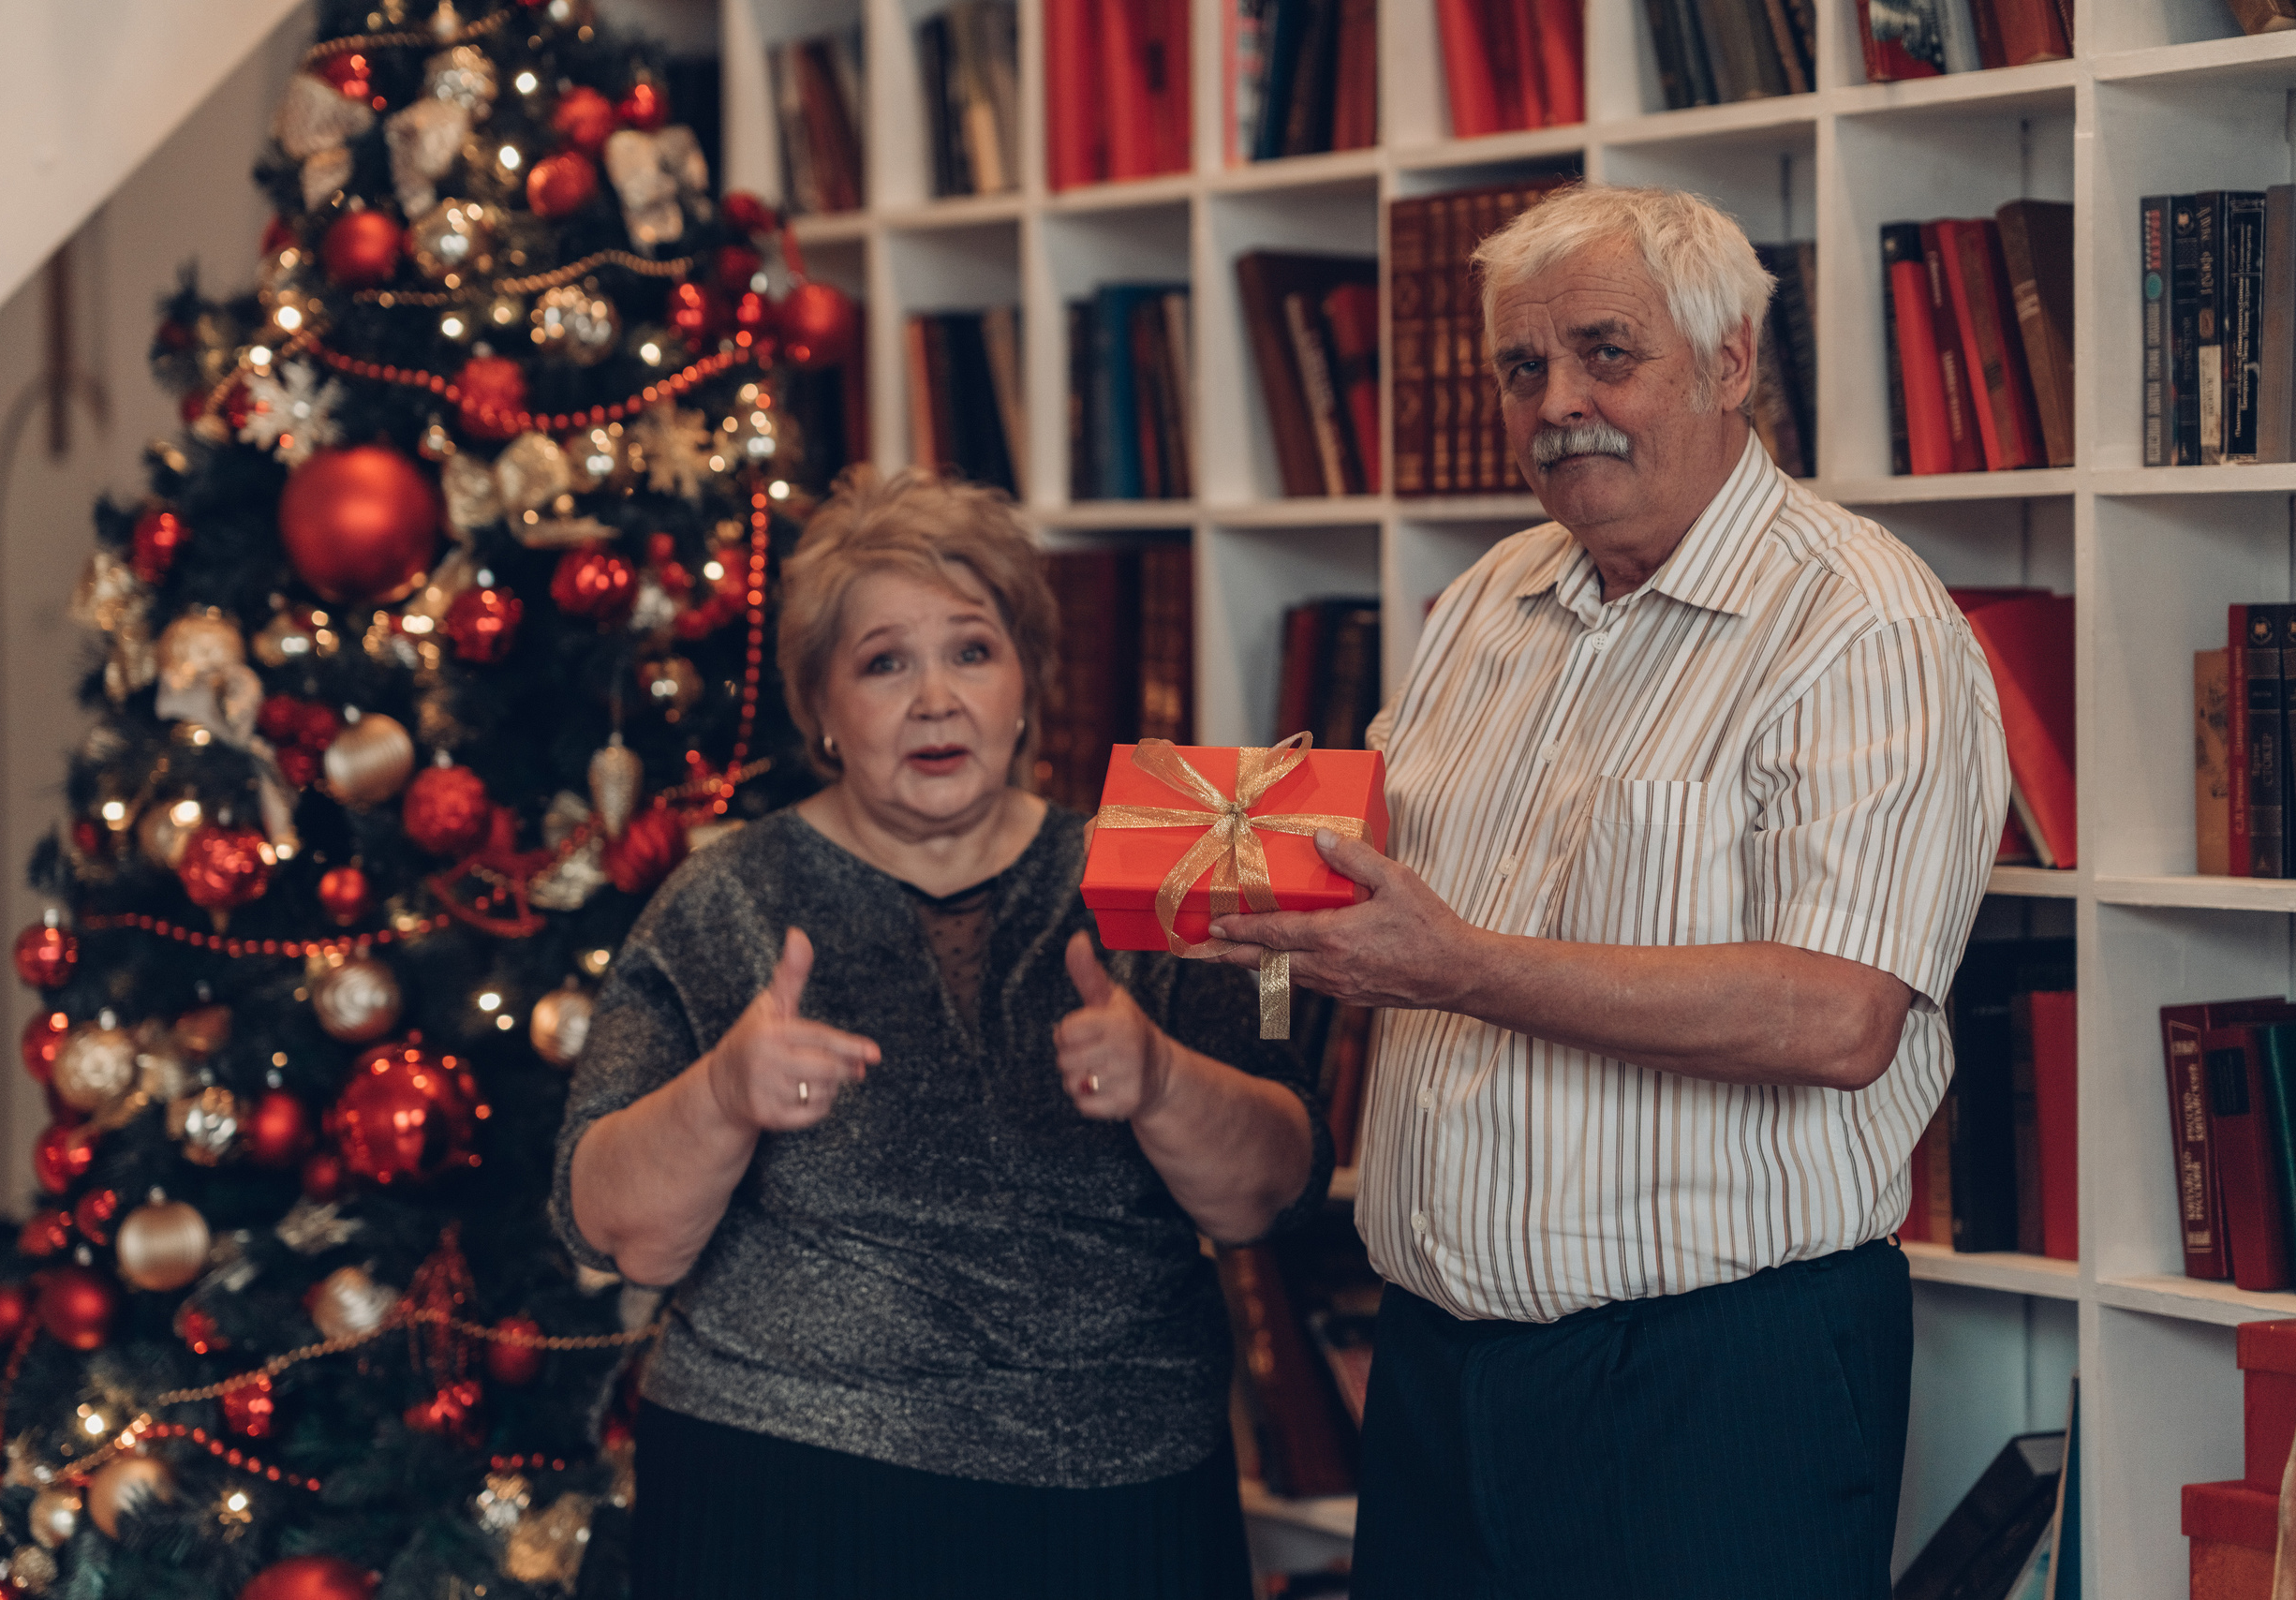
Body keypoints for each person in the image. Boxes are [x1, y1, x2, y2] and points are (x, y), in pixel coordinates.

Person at [1204, 184, 2008, 1598]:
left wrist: (1455, 966)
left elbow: (1841, 1019)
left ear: (1731, 360)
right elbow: (1373, 887)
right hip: (1442, 1369)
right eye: (1525, 367)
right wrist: (1223, 887)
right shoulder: (1491, 600)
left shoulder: (1862, 622)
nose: (1559, 400)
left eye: (1605, 352)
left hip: (1715, 1379)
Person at [550, 467, 1328, 1600]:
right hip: (790, 1490)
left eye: (971, 650)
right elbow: (617, 1230)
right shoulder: (725, 898)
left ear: (1028, 682)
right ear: (821, 707)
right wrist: (721, 1097)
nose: (934, 698)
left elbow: (1271, 1192)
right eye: (882, 662)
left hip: (1121, 1494)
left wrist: (1163, 1081)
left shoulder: (1156, 869)